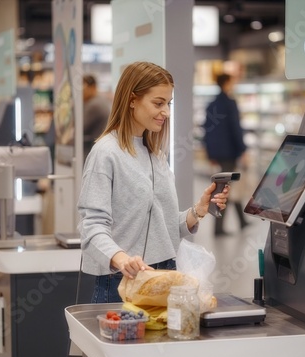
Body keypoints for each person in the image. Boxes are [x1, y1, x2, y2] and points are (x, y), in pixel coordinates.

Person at [77, 61, 230, 304]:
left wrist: (197, 211)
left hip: (164, 277)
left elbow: (162, 226)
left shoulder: (155, 154)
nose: (166, 112)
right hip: (122, 282)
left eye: (168, 104)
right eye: (158, 103)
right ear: (132, 100)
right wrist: (122, 258)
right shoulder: (105, 153)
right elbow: (91, 227)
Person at [203, 73, 249, 236]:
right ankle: (219, 228)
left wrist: (209, 153)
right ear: (227, 83)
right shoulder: (230, 104)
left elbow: (206, 130)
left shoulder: (211, 105)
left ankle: (241, 221)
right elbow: (236, 129)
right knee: (224, 189)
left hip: (216, 152)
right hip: (229, 152)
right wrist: (243, 150)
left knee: (225, 186)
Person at [82, 73, 111, 161]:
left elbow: (81, 128)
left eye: (83, 86)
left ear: (92, 87)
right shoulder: (101, 100)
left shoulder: (94, 105)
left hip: (92, 149)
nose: (81, 91)